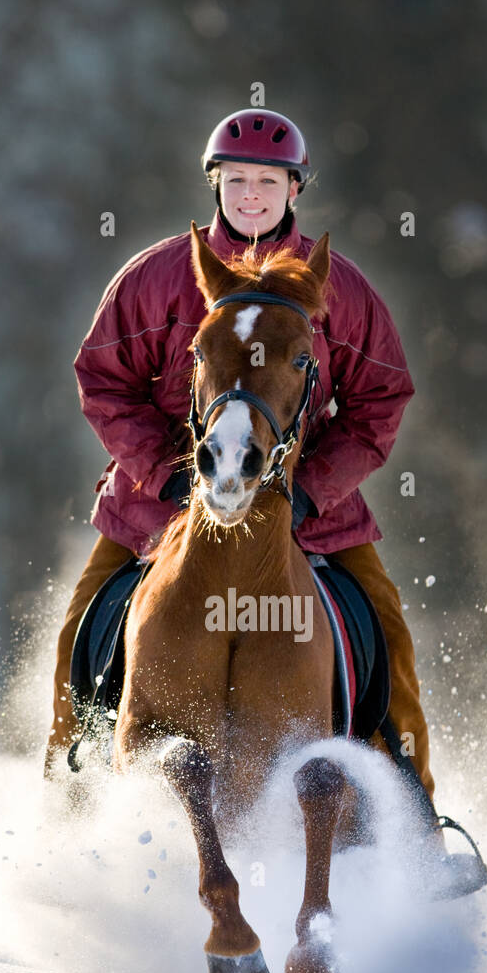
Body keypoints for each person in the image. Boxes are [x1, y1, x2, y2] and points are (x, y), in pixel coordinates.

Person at [46, 107, 447, 851]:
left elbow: (381, 398)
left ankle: (420, 824)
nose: (251, 195)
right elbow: (102, 378)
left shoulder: (342, 291)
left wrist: (309, 490)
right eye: (237, 180)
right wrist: (162, 476)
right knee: (80, 630)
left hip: (310, 518)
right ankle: (67, 795)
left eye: (267, 180)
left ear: (294, 189)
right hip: (155, 508)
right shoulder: (158, 277)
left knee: (388, 638)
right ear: (215, 185)